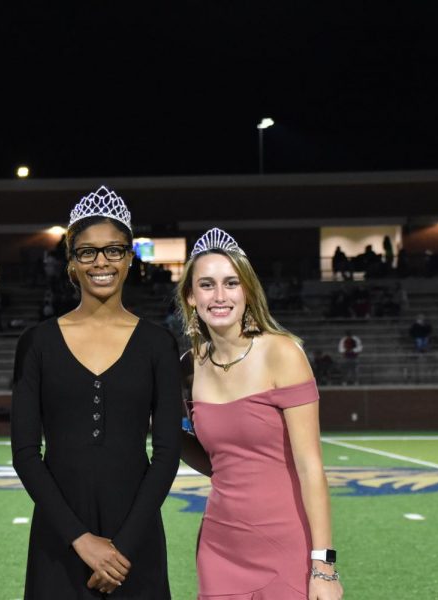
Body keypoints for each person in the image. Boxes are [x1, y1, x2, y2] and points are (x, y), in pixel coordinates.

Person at [11, 186, 182, 598]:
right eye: (87, 252)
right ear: (71, 262)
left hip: (135, 540)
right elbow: (25, 454)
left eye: (114, 250)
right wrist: (81, 540)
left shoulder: (159, 343)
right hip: (60, 539)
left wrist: (121, 547)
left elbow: (167, 454)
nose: (101, 261)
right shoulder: (36, 342)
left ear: (129, 259)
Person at [176, 228, 342, 600]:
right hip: (220, 546)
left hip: (286, 546)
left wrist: (324, 567)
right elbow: (221, 462)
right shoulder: (189, 366)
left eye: (231, 283)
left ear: (247, 291)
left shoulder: (282, 353)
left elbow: (311, 467)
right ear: (191, 296)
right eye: (206, 285)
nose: (219, 296)